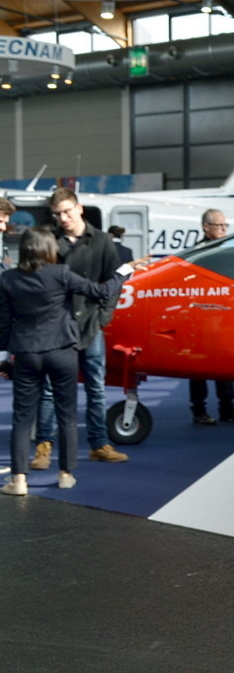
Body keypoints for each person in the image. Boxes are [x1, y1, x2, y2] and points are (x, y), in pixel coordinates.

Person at [2, 228, 138, 495]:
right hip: (63, 350)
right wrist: (123, 272)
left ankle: (19, 480)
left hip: (27, 352)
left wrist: (6, 361)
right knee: (67, 415)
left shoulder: (7, 279)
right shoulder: (61, 274)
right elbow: (100, 292)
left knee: (22, 417)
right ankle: (65, 474)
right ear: (48, 249)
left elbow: (4, 325)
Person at [30, 188, 129, 468]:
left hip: (89, 325)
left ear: (79, 208)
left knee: (96, 388)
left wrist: (102, 317)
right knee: (50, 389)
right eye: (58, 214)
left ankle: (99, 444)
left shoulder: (101, 241)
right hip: (56, 326)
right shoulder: (48, 239)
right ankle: (44, 448)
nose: (63, 218)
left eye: (67, 211)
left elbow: (115, 280)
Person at [189, 209, 234, 425]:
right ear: (206, 227)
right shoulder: (195, 254)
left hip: (222, 317)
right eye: (219, 226)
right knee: (198, 367)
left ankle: (227, 408)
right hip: (200, 318)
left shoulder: (231, 250)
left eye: (226, 225)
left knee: (223, 365)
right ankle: (199, 410)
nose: (224, 229)